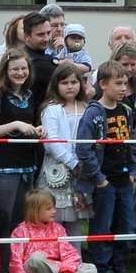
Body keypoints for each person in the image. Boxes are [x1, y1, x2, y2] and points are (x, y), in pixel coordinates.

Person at [78, 60, 136, 273]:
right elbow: (83, 148)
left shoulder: (126, 111)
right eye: (118, 83)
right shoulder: (94, 113)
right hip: (105, 182)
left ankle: (119, 266)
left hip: (124, 179)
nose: (124, 88)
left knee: (127, 225)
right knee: (102, 226)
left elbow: (132, 142)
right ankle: (102, 270)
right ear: (103, 84)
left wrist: (133, 171)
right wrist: (99, 178)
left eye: (126, 83)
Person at [0, 48, 44, 221]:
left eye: (23, 68)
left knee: (22, 217)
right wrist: (16, 125)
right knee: (4, 215)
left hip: (27, 164)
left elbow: (28, 126)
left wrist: (37, 129)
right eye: (14, 69)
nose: (20, 73)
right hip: (6, 166)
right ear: (6, 71)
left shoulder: (29, 95)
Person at [38, 62, 90, 235]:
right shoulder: (52, 108)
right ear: (56, 84)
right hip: (58, 168)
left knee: (76, 217)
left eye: (74, 82)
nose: (70, 86)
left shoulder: (85, 106)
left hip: (81, 168)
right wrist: (73, 163)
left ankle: (76, 258)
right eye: (64, 82)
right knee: (55, 216)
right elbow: (51, 141)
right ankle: (53, 258)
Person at [10, 189, 95, 273]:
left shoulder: (58, 229)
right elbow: (15, 263)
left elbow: (70, 254)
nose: (54, 211)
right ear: (34, 211)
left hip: (56, 268)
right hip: (33, 270)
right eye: (49, 208)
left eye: (54, 207)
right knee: (35, 258)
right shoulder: (20, 231)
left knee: (91, 269)